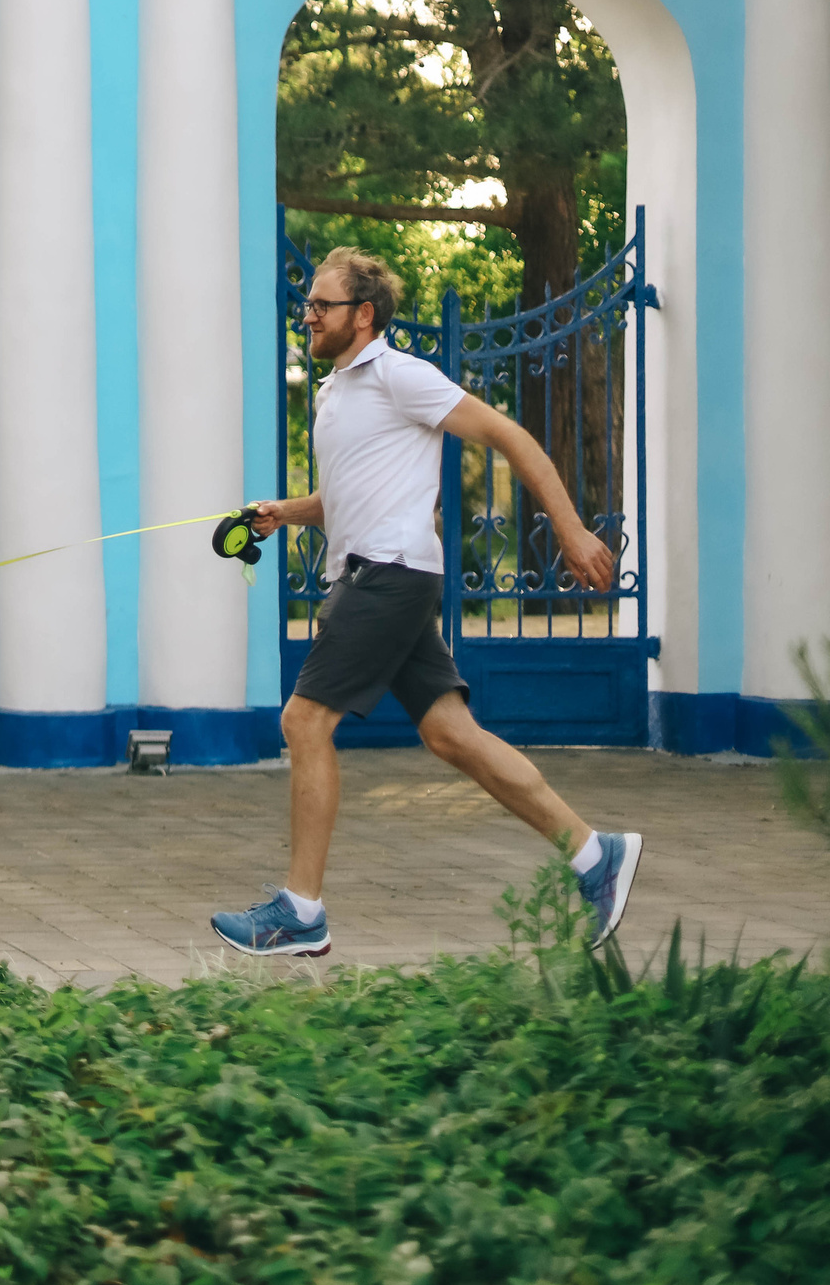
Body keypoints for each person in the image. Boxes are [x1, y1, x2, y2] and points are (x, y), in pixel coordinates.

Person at [221, 247, 643, 957]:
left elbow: (509, 435)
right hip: (389, 574)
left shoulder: (399, 375)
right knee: (450, 734)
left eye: (321, 304)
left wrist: (572, 531)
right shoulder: (335, 391)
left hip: (385, 575)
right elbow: (345, 495)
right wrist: (282, 513)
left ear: (363, 314)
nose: (308, 314)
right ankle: (596, 855)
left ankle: (301, 911)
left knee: (303, 720)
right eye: (307, 304)